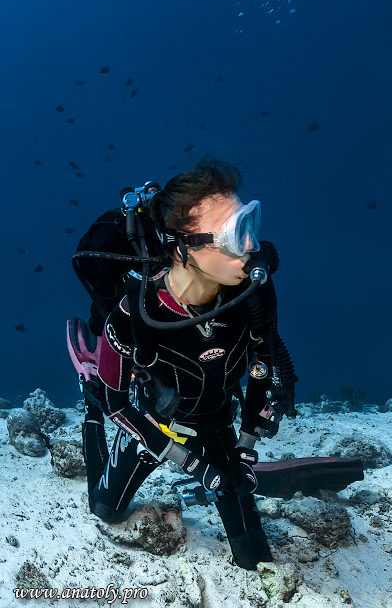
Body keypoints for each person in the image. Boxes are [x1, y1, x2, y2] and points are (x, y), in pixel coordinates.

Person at [72, 155, 292, 571]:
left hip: (216, 419)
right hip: (155, 423)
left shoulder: (254, 294)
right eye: (235, 232)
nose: (251, 246)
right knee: (105, 508)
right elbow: (119, 406)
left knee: (253, 556)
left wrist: (244, 448)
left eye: (251, 224)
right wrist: (189, 463)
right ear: (184, 244)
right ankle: (88, 402)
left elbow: (263, 367)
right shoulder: (135, 313)